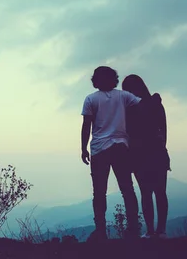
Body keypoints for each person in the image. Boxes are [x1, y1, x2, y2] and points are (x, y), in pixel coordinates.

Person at [81, 66, 142, 241]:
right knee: (127, 189)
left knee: (99, 192)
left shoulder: (91, 99)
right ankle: (133, 230)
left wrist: (83, 148)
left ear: (95, 80)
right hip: (121, 146)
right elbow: (142, 104)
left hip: (100, 149)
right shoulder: (123, 96)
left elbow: (86, 125)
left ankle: (101, 230)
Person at [122, 74, 170, 239]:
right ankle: (161, 230)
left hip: (138, 155)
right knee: (160, 192)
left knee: (146, 193)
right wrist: (162, 147)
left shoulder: (128, 109)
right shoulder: (155, 103)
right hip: (157, 152)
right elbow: (164, 130)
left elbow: (126, 133)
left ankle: (150, 231)